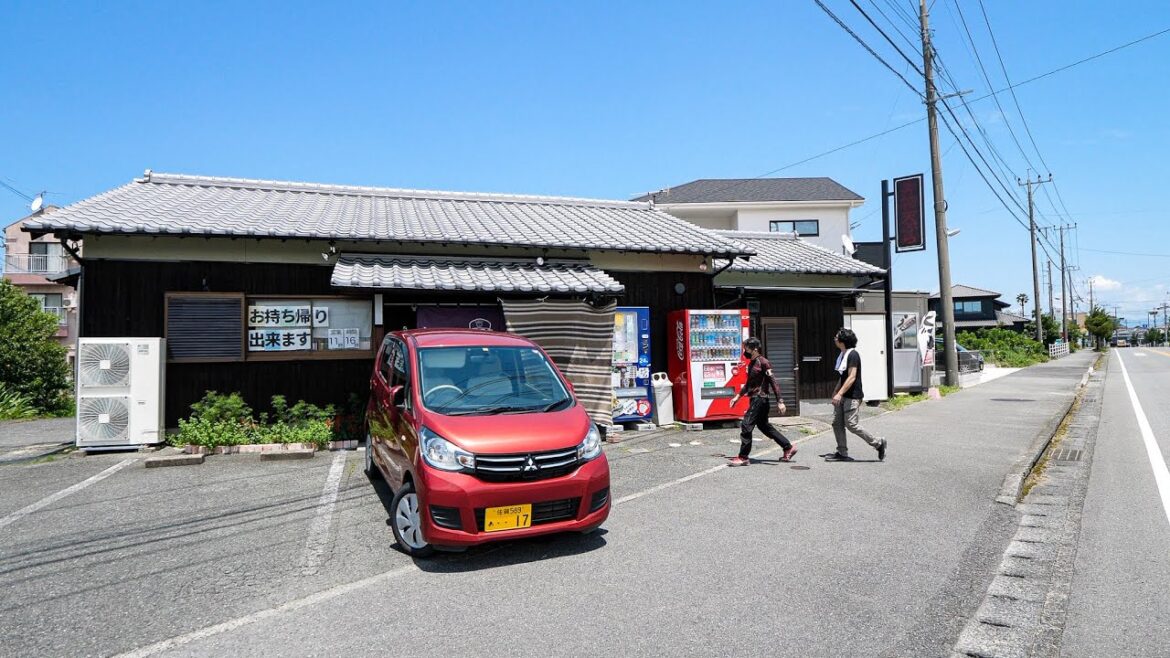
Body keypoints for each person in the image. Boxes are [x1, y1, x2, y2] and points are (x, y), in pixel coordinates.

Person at [728, 337, 798, 467]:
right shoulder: (752, 363)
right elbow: (749, 383)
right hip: (756, 399)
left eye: (746, 349)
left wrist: (780, 401)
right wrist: (737, 397)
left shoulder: (763, 362)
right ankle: (788, 447)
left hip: (760, 398)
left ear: (754, 349)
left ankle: (743, 457)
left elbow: (773, 381)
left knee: (746, 425)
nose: (745, 351)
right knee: (764, 426)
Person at [825, 328, 887, 462]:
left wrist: (839, 393)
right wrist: (836, 391)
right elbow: (843, 376)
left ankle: (878, 443)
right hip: (843, 394)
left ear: (843, 340)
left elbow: (852, 376)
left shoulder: (853, 355)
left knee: (851, 424)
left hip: (852, 395)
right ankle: (842, 452)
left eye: (836, 337)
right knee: (837, 423)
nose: (835, 339)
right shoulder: (843, 354)